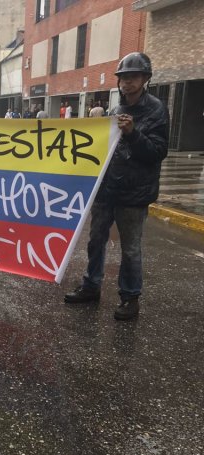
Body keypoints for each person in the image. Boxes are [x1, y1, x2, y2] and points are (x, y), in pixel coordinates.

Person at [64, 52, 169, 321]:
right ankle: (91, 285)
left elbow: (157, 152)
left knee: (131, 247)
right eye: (123, 78)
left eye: (133, 77)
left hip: (134, 194)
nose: (127, 83)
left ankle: (130, 296)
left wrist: (134, 134)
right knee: (95, 239)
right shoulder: (115, 110)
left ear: (145, 78)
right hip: (107, 189)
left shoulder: (156, 109)